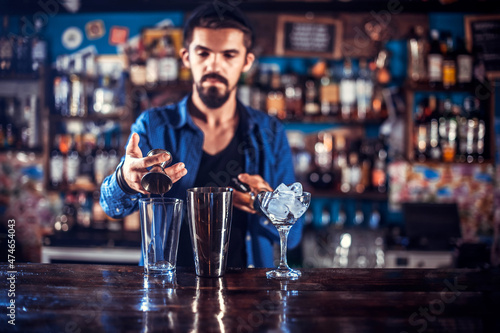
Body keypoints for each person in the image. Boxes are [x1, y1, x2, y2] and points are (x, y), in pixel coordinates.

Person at [100, 3, 302, 268]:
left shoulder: (270, 132)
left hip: (247, 295)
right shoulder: (153, 124)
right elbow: (111, 207)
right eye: (203, 53)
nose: (214, 65)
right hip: (168, 291)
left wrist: (267, 204)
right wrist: (125, 181)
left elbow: (294, 236)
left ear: (247, 62)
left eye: (229, 54)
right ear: (186, 57)